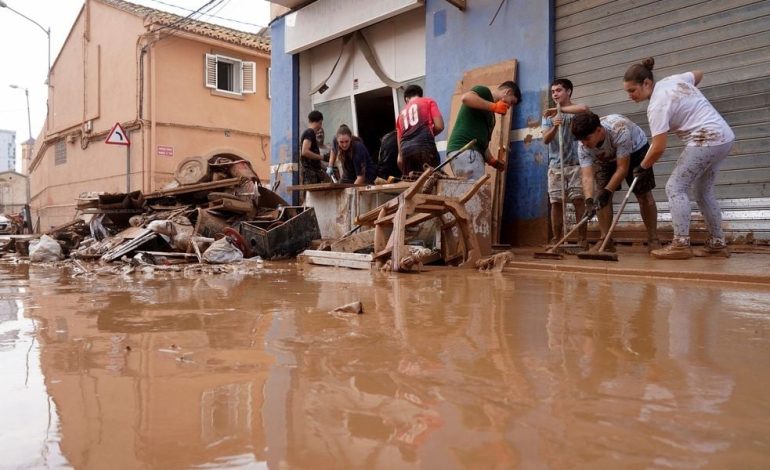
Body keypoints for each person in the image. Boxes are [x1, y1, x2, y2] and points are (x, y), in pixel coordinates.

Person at [623, 57, 734, 259]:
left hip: (705, 139)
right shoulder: (673, 80)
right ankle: (717, 243)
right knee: (703, 192)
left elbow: (658, 147)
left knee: (675, 187)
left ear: (647, 83)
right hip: (724, 137)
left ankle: (681, 243)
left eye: (632, 90)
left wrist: (643, 166)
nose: (630, 96)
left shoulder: (656, 105)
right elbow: (698, 73)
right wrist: (688, 100)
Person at [571, 112, 660, 252]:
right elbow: (587, 176)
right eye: (581, 140)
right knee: (600, 199)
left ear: (599, 130)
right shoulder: (583, 144)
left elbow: (622, 169)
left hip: (635, 150)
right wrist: (589, 200)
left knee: (643, 195)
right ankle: (605, 240)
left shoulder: (619, 130)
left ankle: (653, 238)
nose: (584, 144)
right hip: (605, 157)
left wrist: (608, 191)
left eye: (587, 139)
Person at [541, 78, 589, 247]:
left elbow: (584, 108)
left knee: (578, 200)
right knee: (556, 202)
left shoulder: (576, 111)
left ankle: (582, 239)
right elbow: (545, 140)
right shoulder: (548, 116)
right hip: (555, 166)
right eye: (553, 91)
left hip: (576, 163)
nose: (555, 94)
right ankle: (557, 239)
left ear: (568, 91)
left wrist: (558, 110)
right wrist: (554, 125)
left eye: (559, 90)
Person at [446, 81, 521, 180]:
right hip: (465, 149)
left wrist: (492, 161)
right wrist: (494, 106)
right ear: (508, 92)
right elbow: (466, 98)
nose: (509, 106)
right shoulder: (484, 92)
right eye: (511, 102)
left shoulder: (491, 118)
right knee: (476, 193)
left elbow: (483, 144)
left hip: (469, 151)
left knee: (470, 192)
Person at [396, 84, 445, 174]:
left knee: (415, 184)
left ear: (406, 99)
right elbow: (439, 126)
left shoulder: (400, 115)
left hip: (406, 153)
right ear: (420, 95)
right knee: (432, 183)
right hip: (425, 147)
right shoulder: (428, 101)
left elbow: (399, 156)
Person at [300, 110, 326, 184]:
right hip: (310, 175)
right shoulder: (309, 132)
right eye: (320, 123)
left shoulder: (309, 133)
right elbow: (304, 152)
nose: (320, 126)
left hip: (312, 174)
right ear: (319, 122)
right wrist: (323, 157)